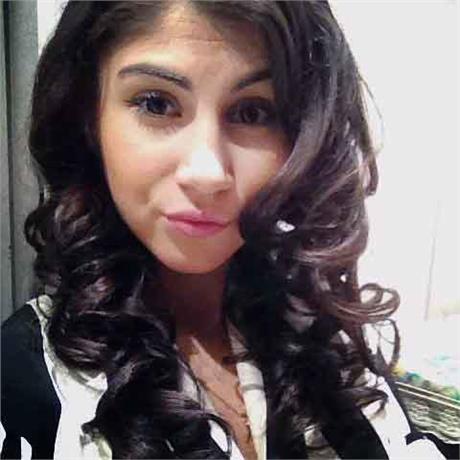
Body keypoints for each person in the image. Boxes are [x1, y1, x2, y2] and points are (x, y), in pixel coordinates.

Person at [0, 1, 445, 459]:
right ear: (88, 119)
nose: (208, 172)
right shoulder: (29, 378)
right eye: (157, 104)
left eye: (252, 112)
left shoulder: (328, 332)